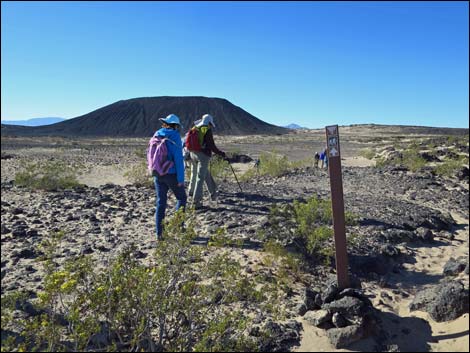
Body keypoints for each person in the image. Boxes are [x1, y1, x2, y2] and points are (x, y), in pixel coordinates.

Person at [151, 114, 186, 240]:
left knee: (161, 202)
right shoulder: (175, 136)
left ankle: (159, 233)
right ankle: (179, 226)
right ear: (175, 125)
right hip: (171, 173)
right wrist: (181, 179)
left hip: (158, 173)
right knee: (181, 198)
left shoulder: (157, 134)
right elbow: (178, 159)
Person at [187, 114, 226, 209]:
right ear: (209, 122)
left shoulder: (195, 127)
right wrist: (221, 153)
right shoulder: (206, 129)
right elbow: (211, 145)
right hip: (202, 155)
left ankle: (213, 193)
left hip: (193, 154)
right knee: (200, 178)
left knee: (205, 174)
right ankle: (197, 203)